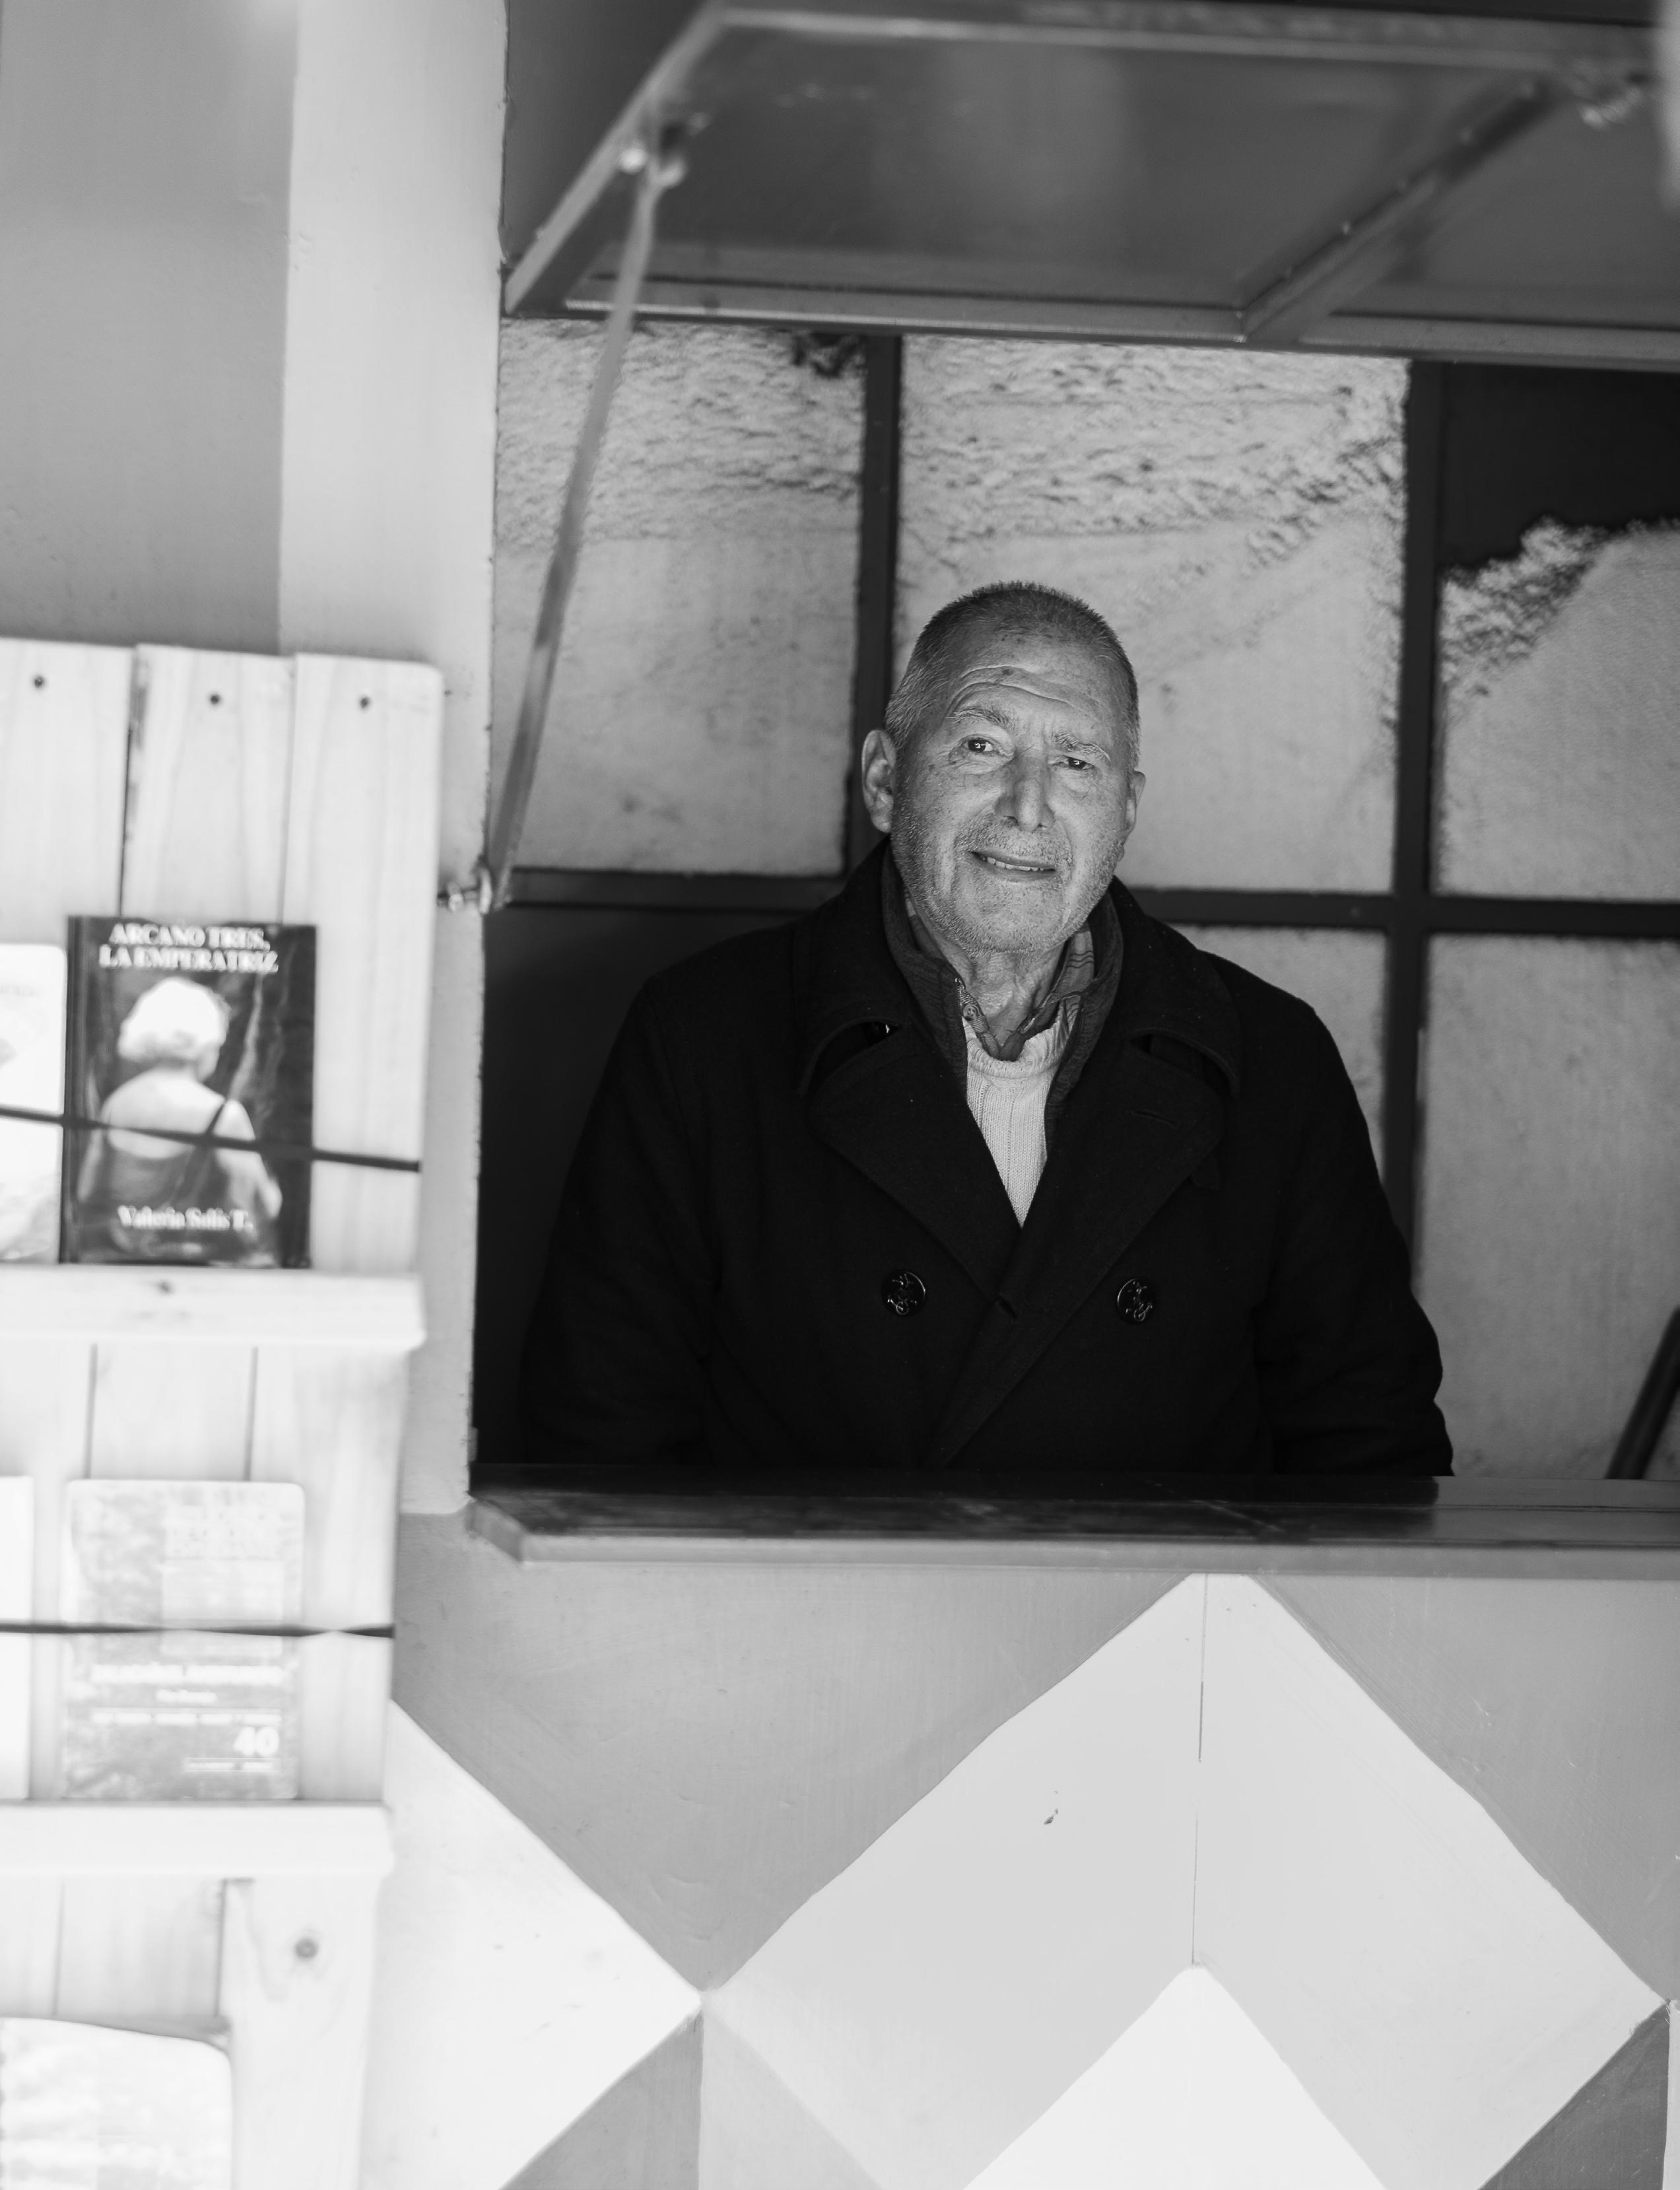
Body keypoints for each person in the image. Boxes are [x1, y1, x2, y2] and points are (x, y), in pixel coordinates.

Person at [522, 581, 1450, 1481]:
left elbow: (1371, 1452)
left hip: (1158, 1592)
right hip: (823, 1587)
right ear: (885, 779)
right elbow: (600, 1440)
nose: (1028, 804)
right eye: (980, 745)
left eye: (1077, 763)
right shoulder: (701, 1038)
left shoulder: (1271, 1057)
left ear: (1125, 810)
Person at [75, 976, 282, 1264]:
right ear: (205, 1044)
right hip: (193, 1263)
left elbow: (86, 1194)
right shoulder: (224, 1116)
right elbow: (262, 1208)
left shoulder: (116, 1105)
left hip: (118, 1260)